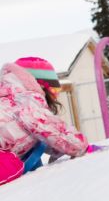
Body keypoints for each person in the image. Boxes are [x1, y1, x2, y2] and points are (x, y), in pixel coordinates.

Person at [0, 57, 89, 186]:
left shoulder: (10, 98)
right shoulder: (28, 99)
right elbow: (52, 131)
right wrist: (79, 145)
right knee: (11, 165)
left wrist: (59, 150)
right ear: (40, 85)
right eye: (55, 90)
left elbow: (40, 137)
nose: (56, 96)